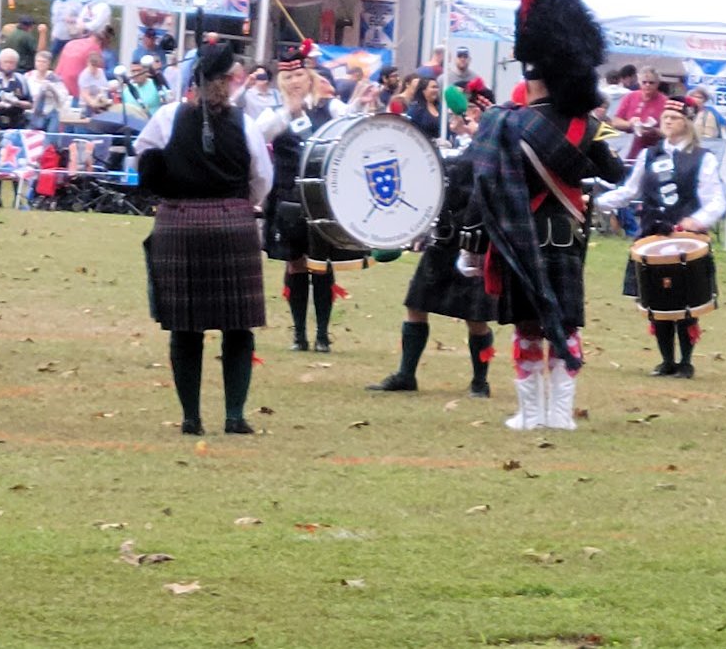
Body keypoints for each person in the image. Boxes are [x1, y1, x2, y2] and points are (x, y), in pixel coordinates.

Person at [458, 0, 624, 431]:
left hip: (520, 237)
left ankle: (531, 414)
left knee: (528, 326)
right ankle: (560, 414)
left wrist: (470, 244)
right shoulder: (589, 127)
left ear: (532, 79)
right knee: (565, 325)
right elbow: (616, 173)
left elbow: (482, 189)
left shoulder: (506, 123)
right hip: (566, 238)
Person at [133, 41, 274, 436]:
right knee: (238, 327)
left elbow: (144, 160)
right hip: (233, 226)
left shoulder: (166, 117)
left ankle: (191, 419)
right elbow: (262, 179)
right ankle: (234, 416)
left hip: (179, 225)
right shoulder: (245, 124)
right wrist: (239, 205)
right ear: (230, 81)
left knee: (185, 327)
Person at [367, 97, 499, 397]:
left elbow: (468, 182)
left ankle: (481, 382)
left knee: (475, 318)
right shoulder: (464, 145)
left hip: (474, 240)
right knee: (417, 304)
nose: (462, 119)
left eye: (471, 116)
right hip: (444, 238)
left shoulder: (490, 152)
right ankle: (406, 374)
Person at [597, 95, 726, 379]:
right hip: (653, 236)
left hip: (685, 237)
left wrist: (696, 221)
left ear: (688, 122)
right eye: (665, 117)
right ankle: (667, 360)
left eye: (675, 118)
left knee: (686, 300)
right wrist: (596, 202)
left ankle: (686, 361)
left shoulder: (702, 159)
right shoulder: (649, 155)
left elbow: (716, 201)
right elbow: (629, 191)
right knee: (657, 300)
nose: (667, 122)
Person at [256, 40, 363, 353]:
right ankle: (299, 333)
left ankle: (322, 334)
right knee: (295, 265)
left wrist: (358, 102)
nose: (293, 82)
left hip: (319, 197)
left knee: (322, 265)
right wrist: (288, 112)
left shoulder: (328, 107)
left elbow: (350, 124)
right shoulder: (275, 114)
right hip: (287, 197)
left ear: (309, 77)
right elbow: (259, 135)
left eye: (298, 76)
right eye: (287, 78)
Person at [611, 65, 666, 159]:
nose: (647, 85)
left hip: (651, 151)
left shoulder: (665, 102)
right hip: (627, 149)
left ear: (657, 84)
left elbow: (668, 132)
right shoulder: (630, 97)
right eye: (644, 82)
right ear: (639, 82)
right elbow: (615, 122)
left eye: (651, 82)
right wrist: (630, 124)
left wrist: (653, 130)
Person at [0, 48, 33, 130]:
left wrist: (17, 103)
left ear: (16, 64)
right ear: (0, 63)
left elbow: (30, 104)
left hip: (17, 123)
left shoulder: (21, 80)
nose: (8, 65)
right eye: (5, 62)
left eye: (11, 62)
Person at [26, 50, 69, 132]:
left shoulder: (55, 79)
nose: (40, 64)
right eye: (38, 61)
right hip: (32, 114)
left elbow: (63, 99)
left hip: (50, 113)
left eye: (44, 62)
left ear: (49, 63)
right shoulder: (28, 77)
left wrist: (52, 90)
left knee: (50, 139)